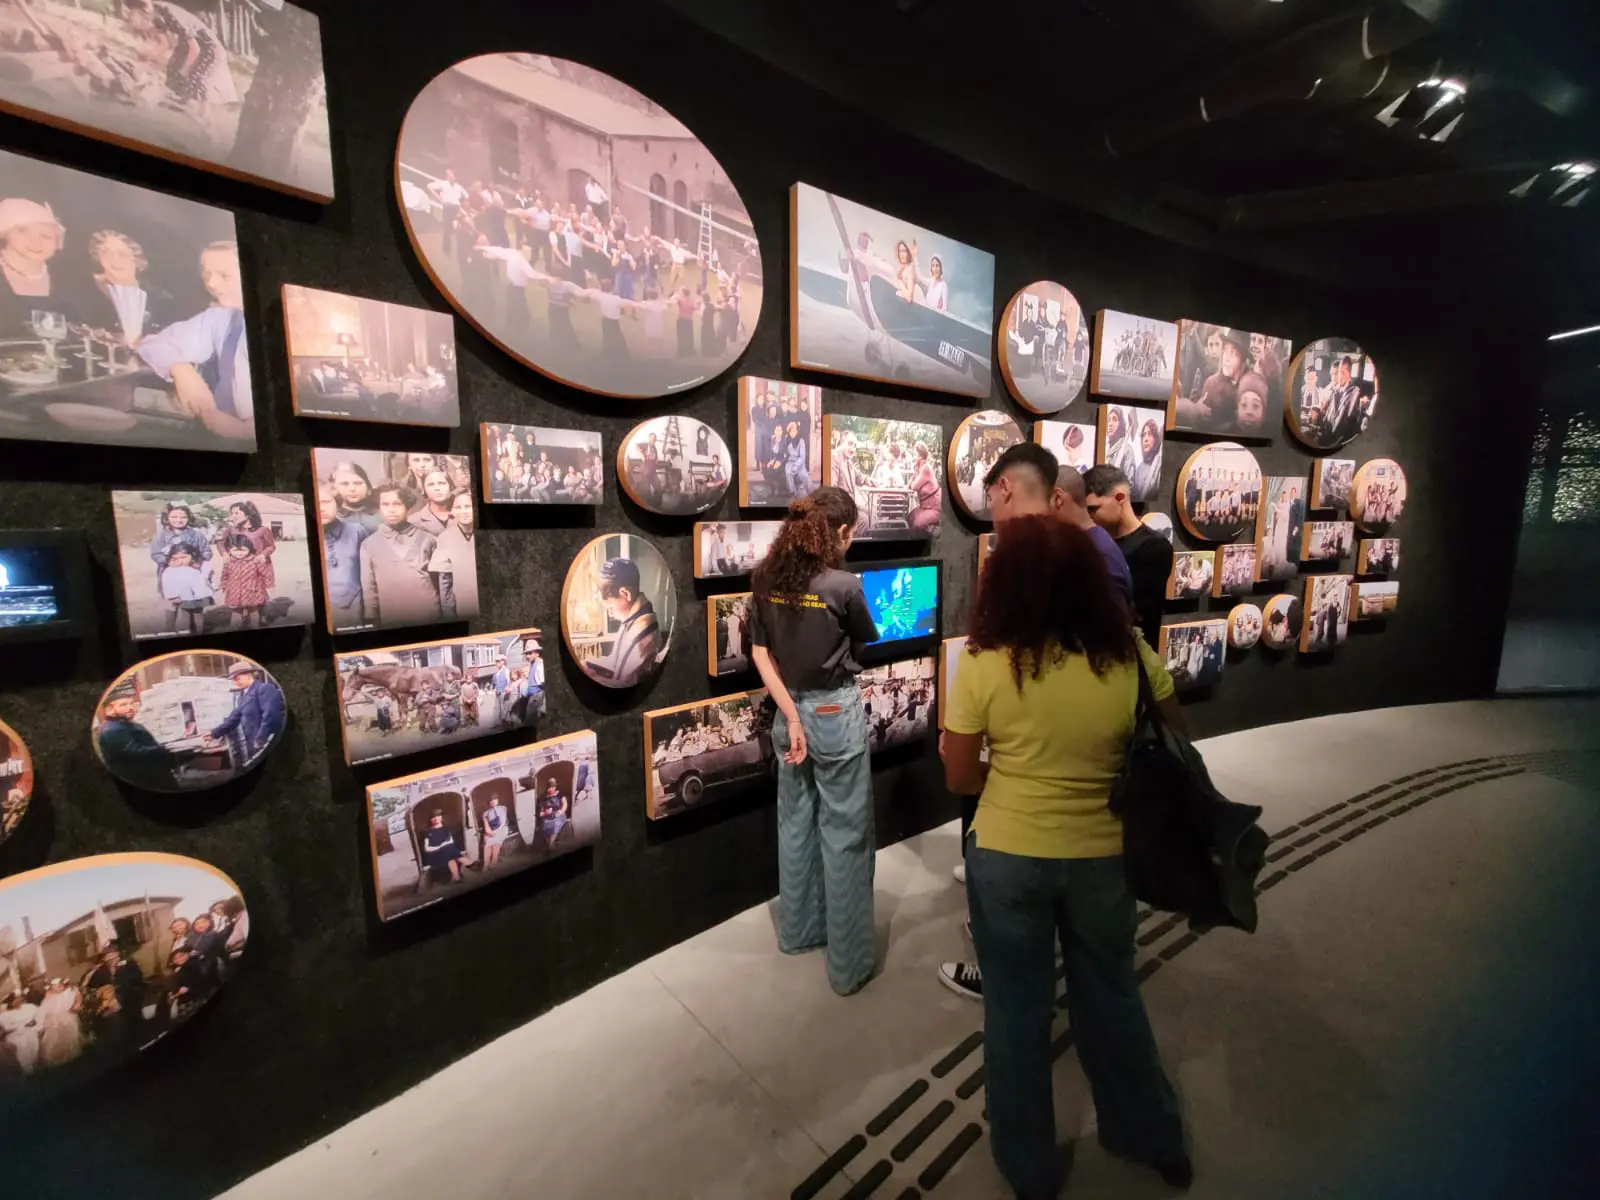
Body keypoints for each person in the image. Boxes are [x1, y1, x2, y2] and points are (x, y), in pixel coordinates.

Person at [941, 515, 1190, 1198]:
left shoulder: (985, 661)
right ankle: (1153, 1138)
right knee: (1112, 999)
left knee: (1016, 1016)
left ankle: (1029, 1169)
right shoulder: (1131, 654)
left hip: (1006, 857)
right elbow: (1176, 740)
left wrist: (1016, 779)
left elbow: (959, 777)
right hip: (1103, 855)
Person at [749, 487, 880, 995]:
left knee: (796, 822)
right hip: (833, 711)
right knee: (846, 832)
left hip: (791, 714)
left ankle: (799, 934)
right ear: (841, 532)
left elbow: (761, 657)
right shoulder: (845, 585)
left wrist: (792, 718)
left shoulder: (765, 579)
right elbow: (864, 642)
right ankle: (848, 967)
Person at [137, 241, 253, 443]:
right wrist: (181, 371)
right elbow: (152, 344)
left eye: (223, 275)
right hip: (219, 437)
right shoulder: (219, 318)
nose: (212, 284)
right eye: (207, 275)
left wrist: (244, 431)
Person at [1083, 466, 1174, 645]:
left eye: (1093, 509)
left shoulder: (1154, 548)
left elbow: (1134, 614)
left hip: (1130, 656)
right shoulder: (1092, 541)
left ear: (1120, 499)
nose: (1088, 516)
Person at [358, 483, 441, 628]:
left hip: (428, 613)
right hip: (391, 617)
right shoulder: (369, 544)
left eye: (398, 504)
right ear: (379, 508)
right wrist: (371, 618)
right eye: (385, 504)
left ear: (407, 507)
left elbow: (439, 581)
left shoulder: (428, 539)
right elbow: (369, 587)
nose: (391, 510)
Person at [588, 557, 666, 686]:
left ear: (625, 594)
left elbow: (627, 685)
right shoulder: (632, 620)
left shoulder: (642, 635)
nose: (609, 612)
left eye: (610, 606)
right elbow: (617, 663)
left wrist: (594, 678)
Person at [205, 661, 285, 766]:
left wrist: (261, 739)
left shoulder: (264, 689)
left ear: (248, 675)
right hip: (253, 744)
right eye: (233, 679)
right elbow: (234, 717)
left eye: (237, 678)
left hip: (267, 743)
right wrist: (214, 733)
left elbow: (270, 716)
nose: (235, 682)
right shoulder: (243, 694)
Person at [318, 489, 369, 625]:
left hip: (355, 602)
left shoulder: (356, 531)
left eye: (326, 502)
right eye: (316, 503)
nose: (321, 508)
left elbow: (371, 571)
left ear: (338, 504)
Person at [429, 491, 479, 620]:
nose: (464, 511)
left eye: (468, 506)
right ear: (452, 511)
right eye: (458, 507)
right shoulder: (445, 538)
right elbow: (445, 580)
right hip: (463, 607)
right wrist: (449, 612)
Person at [218, 535, 271, 630]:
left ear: (249, 549)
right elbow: (225, 575)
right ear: (229, 550)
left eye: (242, 550)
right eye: (235, 550)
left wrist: (266, 583)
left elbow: (264, 573)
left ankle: (255, 627)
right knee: (236, 611)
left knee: (253, 610)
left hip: (252, 590)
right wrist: (223, 584)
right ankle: (234, 629)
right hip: (235, 591)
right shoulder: (228, 561)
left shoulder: (255, 560)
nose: (239, 553)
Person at [160, 545, 212, 635]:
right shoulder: (170, 571)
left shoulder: (199, 567)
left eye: (183, 557)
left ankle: (199, 633)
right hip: (185, 597)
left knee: (198, 615)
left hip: (200, 596)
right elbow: (167, 584)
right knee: (185, 617)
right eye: (175, 558)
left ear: (192, 556)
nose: (180, 561)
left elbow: (206, 579)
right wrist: (172, 596)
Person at [419, 810, 466, 883]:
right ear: (430, 820)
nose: (435, 818)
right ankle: (470, 864)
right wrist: (440, 847)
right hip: (435, 854)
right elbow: (427, 849)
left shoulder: (447, 829)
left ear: (441, 818)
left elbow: (451, 842)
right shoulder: (427, 833)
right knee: (450, 853)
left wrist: (444, 847)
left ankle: (456, 878)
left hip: (448, 853)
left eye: (437, 816)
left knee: (450, 856)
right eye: (433, 817)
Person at [480, 795, 511, 869]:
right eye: (491, 800)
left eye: (495, 799)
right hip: (492, 831)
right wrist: (489, 833)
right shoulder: (485, 813)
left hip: (502, 829)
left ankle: (494, 861)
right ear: (489, 803)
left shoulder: (503, 808)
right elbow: (486, 826)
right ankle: (485, 865)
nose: (493, 801)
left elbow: (502, 823)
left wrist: (495, 832)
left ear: (498, 800)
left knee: (496, 839)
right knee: (487, 843)